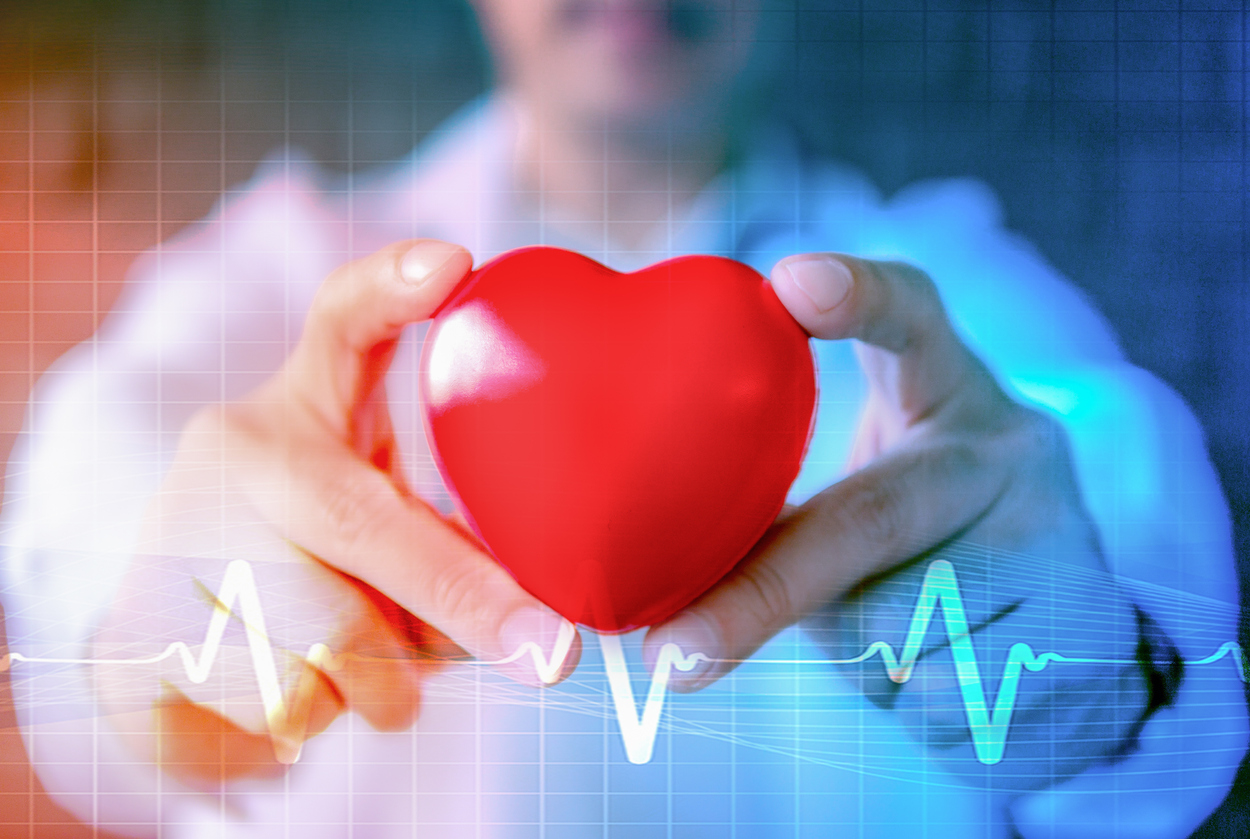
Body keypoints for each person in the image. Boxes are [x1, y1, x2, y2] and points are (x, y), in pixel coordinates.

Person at [1, 1, 1245, 836]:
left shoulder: (943, 296)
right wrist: (152, 646)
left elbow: (1100, 445)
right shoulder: (272, 275)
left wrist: (1108, 670)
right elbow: (97, 451)